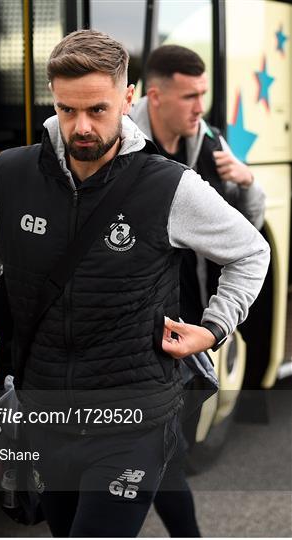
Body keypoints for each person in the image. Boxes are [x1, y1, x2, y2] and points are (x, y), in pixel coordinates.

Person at [0, 31, 270, 538]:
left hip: (134, 421)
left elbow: (252, 251)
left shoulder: (170, 185)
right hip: (46, 415)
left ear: (128, 97)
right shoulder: (13, 174)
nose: (82, 127)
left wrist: (214, 326)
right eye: (67, 110)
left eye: (97, 109)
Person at [130, 44, 266, 537]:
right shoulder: (121, 144)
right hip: (132, 323)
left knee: (167, 452)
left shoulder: (207, 143)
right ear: (156, 96)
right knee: (161, 455)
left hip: (185, 327)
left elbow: (246, 238)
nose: (199, 107)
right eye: (189, 96)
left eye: (203, 94)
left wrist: (247, 183)